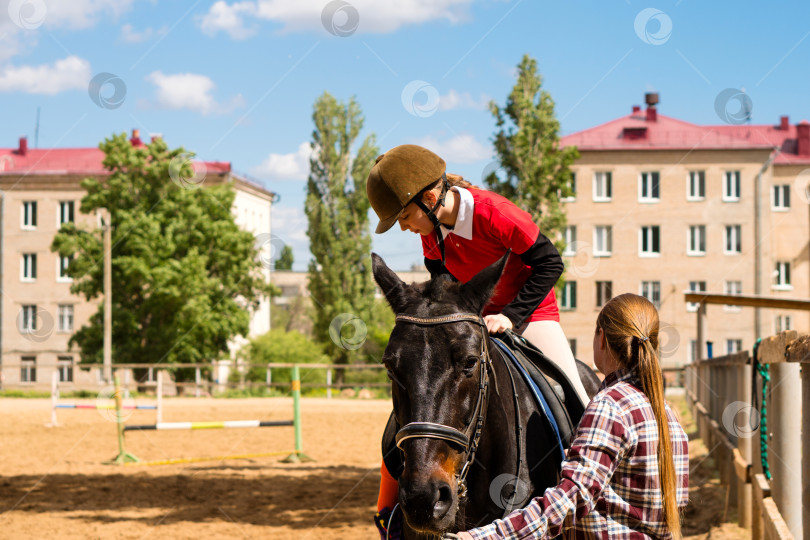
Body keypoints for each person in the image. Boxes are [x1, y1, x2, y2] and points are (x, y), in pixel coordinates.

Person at [366, 144, 591, 536]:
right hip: (471, 322)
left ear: (431, 198)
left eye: (403, 216)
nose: (403, 226)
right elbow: (442, 293)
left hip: (530, 314)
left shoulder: (493, 212)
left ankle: (589, 503)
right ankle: (389, 516)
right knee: (413, 409)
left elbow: (550, 262)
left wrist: (511, 315)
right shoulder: (431, 232)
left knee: (579, 405)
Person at [455, 293, 689, 540]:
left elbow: (569, 500)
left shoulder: (609, 406)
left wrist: (484, 537)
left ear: (602, 339)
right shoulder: (669, 417)